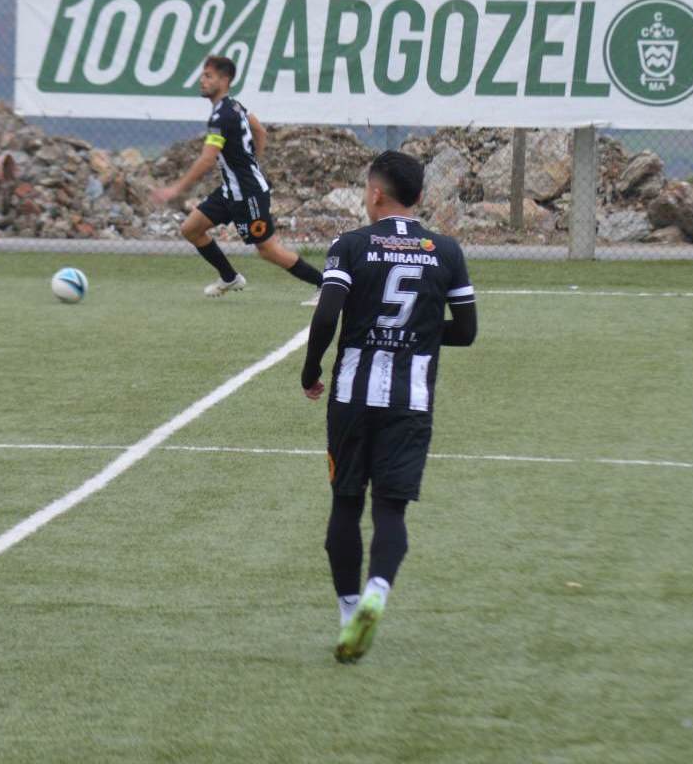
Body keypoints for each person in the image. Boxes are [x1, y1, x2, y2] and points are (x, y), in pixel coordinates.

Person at [300, 151, 477, 663]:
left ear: (376, 194)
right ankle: (378, 590)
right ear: (418, 197)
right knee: (391, 509)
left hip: (353, 397)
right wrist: (420, 333)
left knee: (346, 504)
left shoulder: (351, 245)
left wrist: (311, 370)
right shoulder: (445, 250)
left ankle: (348, 609)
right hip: (411, 399)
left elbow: (329, 312)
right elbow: (465, 332)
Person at [150, 55, 322, 295]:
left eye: (208, 76)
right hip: (231, 190)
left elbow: (208, 158)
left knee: (268, 250)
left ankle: (324, 284)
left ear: (225, 79)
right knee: (191, 229)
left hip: (248, 194)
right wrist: (252, 161)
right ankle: (229, 278)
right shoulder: (234, 106)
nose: (202, 80)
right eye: (203, 75)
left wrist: (176, 189)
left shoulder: (222, 116)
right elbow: (259, 130)